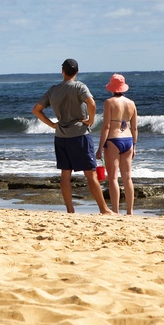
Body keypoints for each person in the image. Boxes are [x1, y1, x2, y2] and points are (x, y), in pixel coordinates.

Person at [33, 59, 113, 215]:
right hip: (79, 135)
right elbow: (91, 103)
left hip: (61, 136)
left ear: (62, 71)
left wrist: (52, 125)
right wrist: (90, 120)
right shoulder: (79, 86)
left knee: (65, 173)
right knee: (90, 173)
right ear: (76, 71)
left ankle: (70, 209)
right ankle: (103, 209)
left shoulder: (53, 90)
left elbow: (36, 110)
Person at [96, 73, 138, 215]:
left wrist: (100, 147)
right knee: (127, 177)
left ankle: (115, 210)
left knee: (113, 177)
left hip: (113, 140)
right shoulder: (131, 103)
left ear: (112, 88)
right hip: (128, 140)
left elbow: (106, 127)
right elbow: (135, 128)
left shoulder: (109, 102)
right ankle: (130, 211)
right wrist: (134, 146)